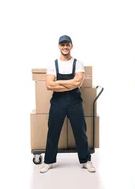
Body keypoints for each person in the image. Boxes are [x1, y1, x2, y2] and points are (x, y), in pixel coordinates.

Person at [39, 35, 96, 174]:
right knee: (53, 131)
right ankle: (48, 161)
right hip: (57, 101)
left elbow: (78, 83)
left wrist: (58, 83)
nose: (65, 47)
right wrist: (67, 84)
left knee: (80, 131)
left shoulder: (78, 63)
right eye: (62, 45)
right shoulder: (53, 64)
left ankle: (85, 160)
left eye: (67, 45)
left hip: (74, 102)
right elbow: (49, 85)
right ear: (59, 46)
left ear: (71, 46)